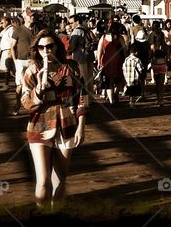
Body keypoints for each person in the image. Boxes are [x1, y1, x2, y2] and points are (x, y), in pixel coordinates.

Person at [21, 30, 88, 209]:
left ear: (57, 46)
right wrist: (40, 89)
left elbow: (81, 96)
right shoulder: (32, 70)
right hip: (40, 125)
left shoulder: (71, 67)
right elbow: (25, 103)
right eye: (41, 47)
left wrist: (81, 126)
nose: (45, 51)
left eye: (49, 46)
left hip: (67, 125)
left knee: (60, 179)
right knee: (43, 180)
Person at [97, 21, 126, 105]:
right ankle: (116, 94)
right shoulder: (120, 38)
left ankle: (111, 100)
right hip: (118, 61)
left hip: (106, 61)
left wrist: (99, 61)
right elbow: (124, 49)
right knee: (119, 79)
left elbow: (99, 50)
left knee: (109, 80)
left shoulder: (104, 37)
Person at [8, 16, 33, 115]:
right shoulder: (18, 30)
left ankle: (31, 105)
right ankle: (17, 104)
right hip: (21, 61)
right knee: (20, 84)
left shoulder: (36, 29)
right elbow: (12, 46)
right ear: (25, 18)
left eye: (33, 15)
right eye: (30, 16)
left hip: (32, 60)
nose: (32, 17)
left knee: (32, 83)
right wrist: (15, 60)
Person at [150, 27, 170, 107]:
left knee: (157, 83)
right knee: (161, 83)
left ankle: (158, 98)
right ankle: (161, 99)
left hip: (155, 64)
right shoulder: (164, 45)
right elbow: (167, 55)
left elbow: (151, 55)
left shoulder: (153, 46)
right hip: (162, 64)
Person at [122, 44, 145, 108]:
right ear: (136, 52)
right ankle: (132, 103)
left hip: (127, 78)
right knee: (134, 92)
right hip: (135, 78)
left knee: (130, 91)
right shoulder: (137, 60)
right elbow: (140, 69)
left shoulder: (126, 59)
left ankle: (131, 102)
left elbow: (123, 68)